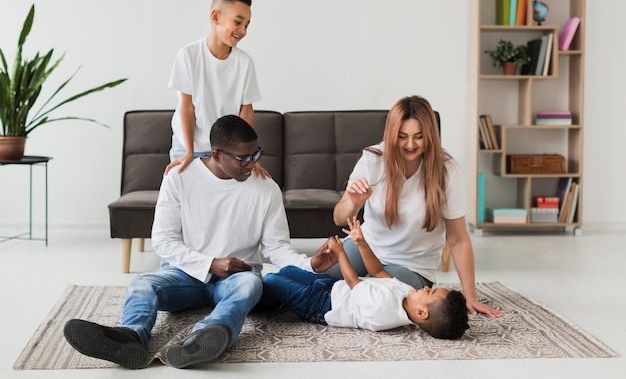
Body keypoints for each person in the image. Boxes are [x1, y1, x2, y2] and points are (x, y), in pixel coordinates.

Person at [63, 115, 336, 369]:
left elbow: (276, 247)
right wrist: (210, 263)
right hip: (186, 273)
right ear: (216, 154)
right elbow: (163, 240)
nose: (252, 164)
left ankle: (205, 337)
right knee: (141, 283)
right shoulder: (179, 179)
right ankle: (130, 337)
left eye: (256, 155)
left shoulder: (267, 188)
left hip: (236, 277)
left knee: (251, 283)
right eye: (243, 158)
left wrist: (308, 263)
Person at [328, 95, 503, 318]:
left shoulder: (447, 171)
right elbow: (339, 218)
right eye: (402, 137)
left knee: (381, 300)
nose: (410, 145)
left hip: (412, 267)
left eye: (418, 137)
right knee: (322, 276)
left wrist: (470, 297)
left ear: (430, 135)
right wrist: (353, 201)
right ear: (392, 135)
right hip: (367, 247)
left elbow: (458, 239)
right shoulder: (373, 159)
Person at [262, 217, 469, 339]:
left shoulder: (384, 309)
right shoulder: (406, 294)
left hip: (320, 305)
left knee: (271, 280)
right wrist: (361, 243)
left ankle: (267, 302)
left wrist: (341, 252)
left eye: (430, 292)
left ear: (421, 312)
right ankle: (280, 300)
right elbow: (378, 272)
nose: (425, 288)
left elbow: (354, 282)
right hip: (332, 287)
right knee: (287, 270)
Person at [165, 0, 269, 178]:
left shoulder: (244, 63)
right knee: (183, 200)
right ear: (215, 17)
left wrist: (249, 157)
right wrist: (189, 151)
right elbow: (187, 108)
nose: (243, 30)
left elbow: (246, 112)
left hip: (227, 153)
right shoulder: (188, 56)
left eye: (247, 25)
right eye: (238, 22)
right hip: (188, 146)